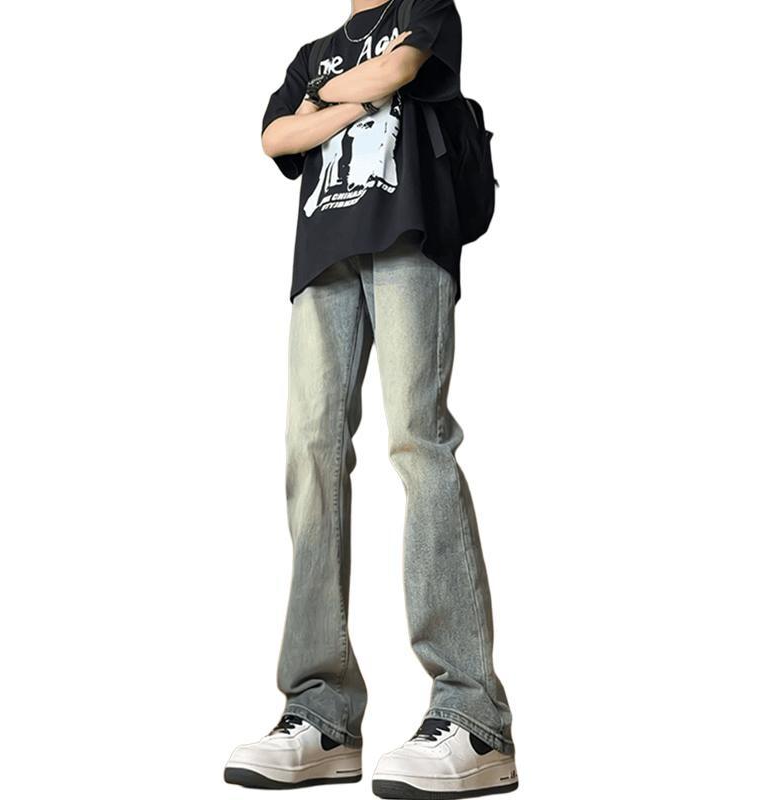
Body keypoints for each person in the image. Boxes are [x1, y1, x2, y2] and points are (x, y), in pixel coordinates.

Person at [224, 2, 518, 797]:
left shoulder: (424, 7)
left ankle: (474, 717)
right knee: (309, 455)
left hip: (410, 238)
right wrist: (350, 100)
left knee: (419, 444)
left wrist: (325, 104)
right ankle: (320, 714)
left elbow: (398, 68)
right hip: (323, 257)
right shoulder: (314, 50)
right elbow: (274, 137)